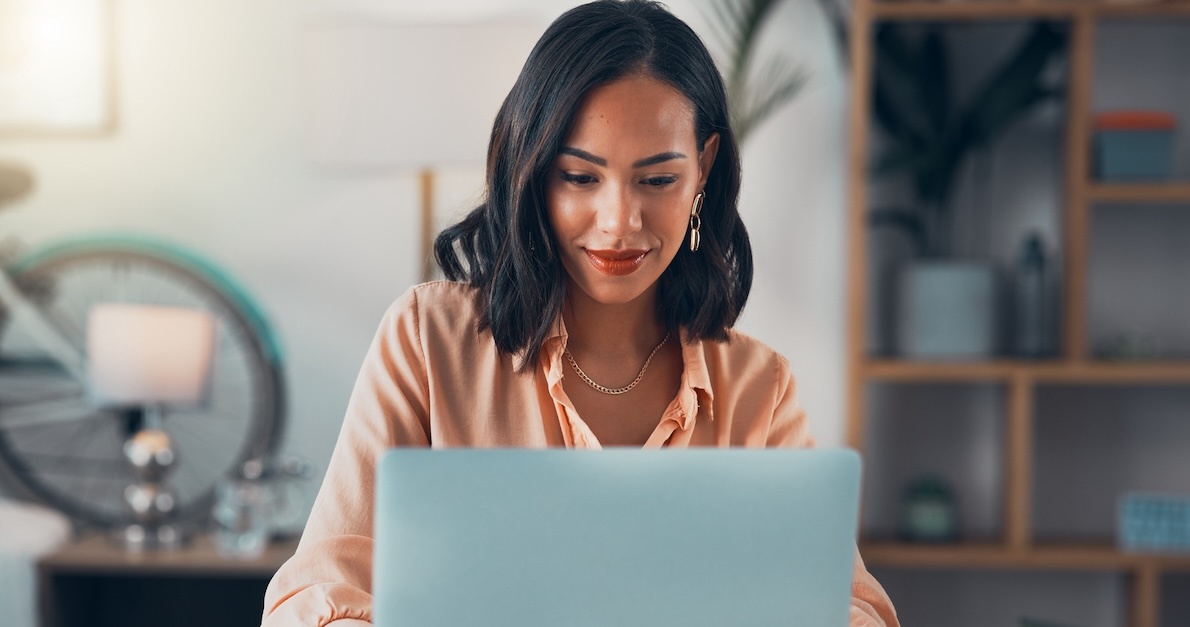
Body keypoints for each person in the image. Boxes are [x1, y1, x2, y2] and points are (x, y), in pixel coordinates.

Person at [261, 1, 899, 625]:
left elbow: (851, 604)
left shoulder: (758, 387)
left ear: (703, 167)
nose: (620, 223)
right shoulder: (428, 342)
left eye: (657, 180)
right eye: (580, 177)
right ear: (533, 172)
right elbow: (315, 594)